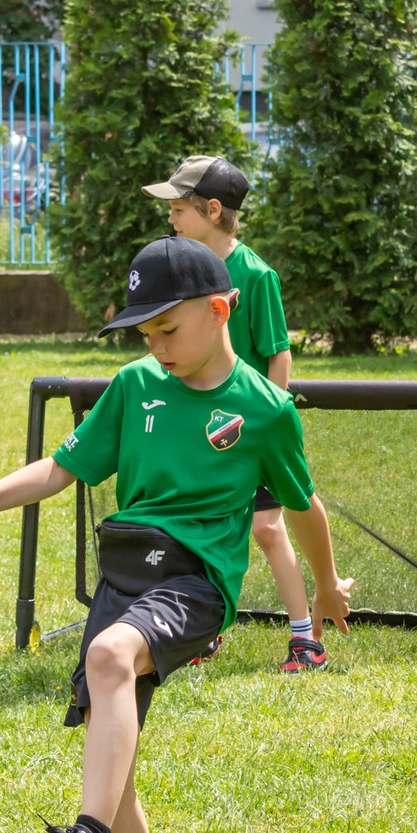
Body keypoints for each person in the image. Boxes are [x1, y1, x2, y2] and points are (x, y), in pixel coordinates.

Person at [0, 236, 352, 833]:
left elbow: (304, 505)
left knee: (107, 656)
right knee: (114, 756)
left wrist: (324, 589)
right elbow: (63, 468)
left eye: (169, 326)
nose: (156, 342)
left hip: (193, 579)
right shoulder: (133, 386)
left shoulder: (264, 408)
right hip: (124, 572)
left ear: (221, 309)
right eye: (146, 330)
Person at [146, 154, 323, 673]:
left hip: (247, 431)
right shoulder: (183, 274)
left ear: (214, 210)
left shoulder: (256, 275)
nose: (171, 220)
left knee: (269, 530)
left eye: (179, 209)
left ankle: (304, 638)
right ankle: (206, 628)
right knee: (203, 529)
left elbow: (278, 353)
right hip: (201, 432)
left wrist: (261, 424)